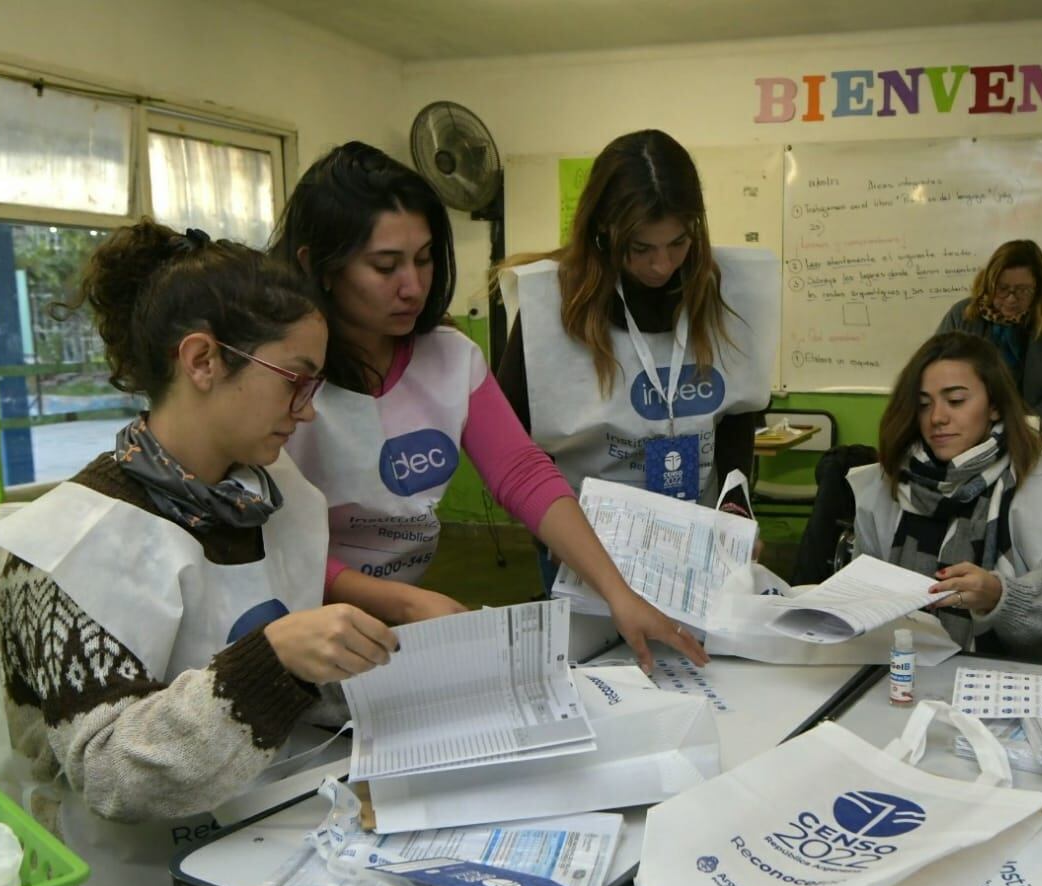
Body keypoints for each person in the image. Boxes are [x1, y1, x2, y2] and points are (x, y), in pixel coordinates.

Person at [0, 221, 398, 886]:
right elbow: (110, 779)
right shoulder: (68, 546)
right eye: (294, 379)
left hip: (245, 840)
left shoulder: (279, 497)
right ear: (202, 360)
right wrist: (273, 662)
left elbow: (294, 686)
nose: (306, 410)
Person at [271, 141, 704, 670]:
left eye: (425, 259)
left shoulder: (450, 358)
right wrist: (403, 602)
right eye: (386, 266)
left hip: (393, 620)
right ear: (319, 267)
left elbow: (523, 474)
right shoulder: (276, 374)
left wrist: (617, 591)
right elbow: (269, 540)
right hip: (295, 620)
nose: (413, 286)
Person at [497, 129, 776, 519]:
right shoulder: (556, 304)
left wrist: (734, 502)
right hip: (585, 530)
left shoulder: (722, 291)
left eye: (678, 243)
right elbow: (509, 435)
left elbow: (737, 413)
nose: (662, 265)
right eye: (640, 248)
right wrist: (550, 520)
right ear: (604, 229)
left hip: (696, 522)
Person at [848, 332, 1042, 659]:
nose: (937, 418)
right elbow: (861, 597)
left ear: (995, 406)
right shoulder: (884, 487)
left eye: (956, 401)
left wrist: (1000, 596)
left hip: (1009, 681)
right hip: (901, 671)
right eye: (924, 404)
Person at [935, 240, 1042, 430]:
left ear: (1039, 289)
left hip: (1026, 432)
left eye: (1023, 290)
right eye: (1002, 289)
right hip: (964, 430)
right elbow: (934, 374)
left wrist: (1027, 424)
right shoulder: (962, 316)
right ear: (988, 284)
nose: (1011, 299)